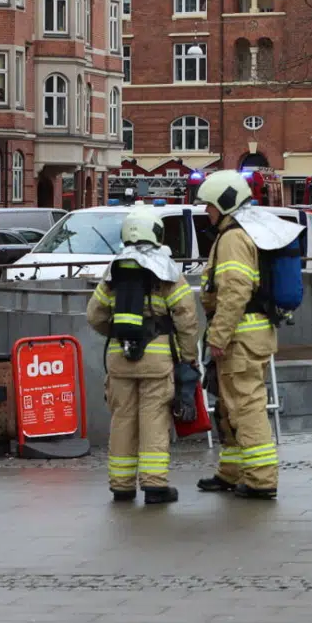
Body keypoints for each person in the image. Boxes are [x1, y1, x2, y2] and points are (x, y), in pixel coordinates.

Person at [85, 208, 200, 505]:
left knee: (122, 420)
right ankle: (154, 486)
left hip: (119, 359)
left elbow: (94, 315)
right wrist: (188, 357)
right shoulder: (168, 271)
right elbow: (186, 318)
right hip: (157, 361)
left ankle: (121, 486)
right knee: (154, 420)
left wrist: (115, 332)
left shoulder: (115, 271)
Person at [195, 170, 280, 500]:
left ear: (223, 203)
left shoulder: (232, 238)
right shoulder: (241, 232)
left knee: (246, 407)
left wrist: (218, 335)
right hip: (247, 334)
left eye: (209, 206)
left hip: (239, 337)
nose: (206, 212)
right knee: (230, 408)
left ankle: (261, 479)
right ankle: (230, 472)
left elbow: (234, 291)